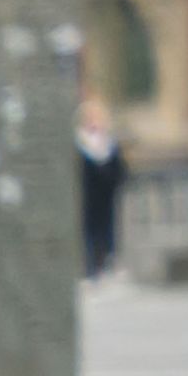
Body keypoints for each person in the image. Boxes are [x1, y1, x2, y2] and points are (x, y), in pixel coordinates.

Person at [76, 97, 123, 282]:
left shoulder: (109, 143)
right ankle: (90, 266)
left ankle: (106, 261)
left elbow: (119, 168)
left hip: (106, 194)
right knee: (88, 229)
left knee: (107, 228)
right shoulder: (80, 142)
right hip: (87, 195)